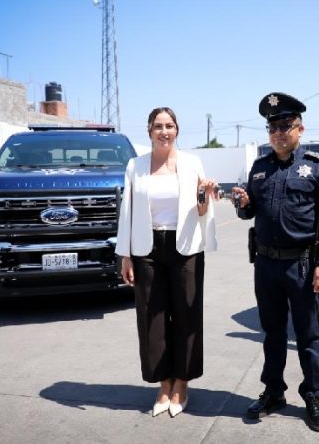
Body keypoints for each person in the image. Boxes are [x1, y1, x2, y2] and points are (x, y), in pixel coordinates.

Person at [231, 92, 319, 432]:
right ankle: (273, 392)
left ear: (300, 129)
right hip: (266, 265)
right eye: (273, 127)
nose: (278, 133)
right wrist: (243, 204)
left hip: (303, 265)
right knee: (273, 333)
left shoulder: (316, 165)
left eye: (285, 126)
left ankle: (312, 395)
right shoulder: (259, 168)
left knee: (307, 335)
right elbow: (250, 212)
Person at [115, 107, 218, 418]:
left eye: (169, 126)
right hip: (146, 248)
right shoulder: (135, 166)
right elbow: (127, 210)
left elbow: (201, 209)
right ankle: (163, 384)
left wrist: (205, 194)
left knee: (187, 314)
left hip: (185, 247)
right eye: (158, 126)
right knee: (152, 318)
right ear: (149, 130)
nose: (164, 131)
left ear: (177, 130)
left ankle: (182, 384)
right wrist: (125, 254)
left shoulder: (192, 162)